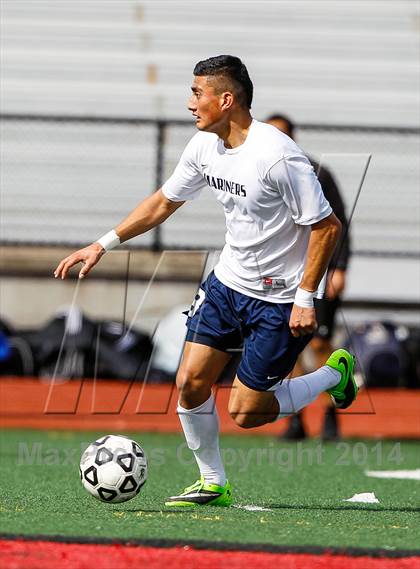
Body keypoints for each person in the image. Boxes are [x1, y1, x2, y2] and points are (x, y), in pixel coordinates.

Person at [54, 55, 357, 508]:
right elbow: (162, 203)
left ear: (226, 99)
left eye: (198, 93)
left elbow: (327, 226)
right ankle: (213, 481)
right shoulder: (203, 147)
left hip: (278, 300)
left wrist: (305, 297)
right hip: (226, 284)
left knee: (247, 412)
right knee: (190, 383)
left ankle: (334, 373)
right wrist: (103, 244)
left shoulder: (277, 155)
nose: (191, 103)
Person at [266, 114, 351, 441]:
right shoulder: (256, 172)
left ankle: (331, 413)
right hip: (279, 276)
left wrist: (339, 268)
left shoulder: (315, 173)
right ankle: (296, 418)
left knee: (319, 343)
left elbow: (339, 223)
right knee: (285, 347)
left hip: (317, 273)